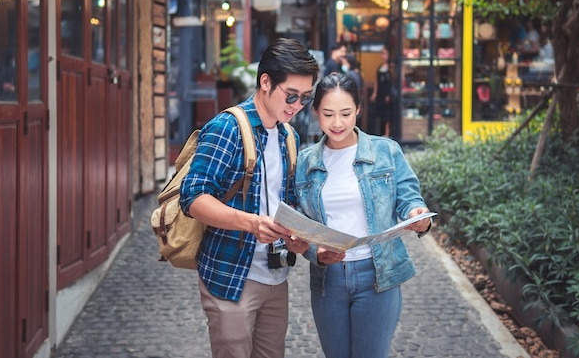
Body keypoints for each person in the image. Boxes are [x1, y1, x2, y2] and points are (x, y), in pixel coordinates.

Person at [179, 37, 318, 358]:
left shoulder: (289, 136)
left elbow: (286, 201)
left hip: (276, 276)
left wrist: (298, 237)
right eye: (291, 95)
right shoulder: (228, 127)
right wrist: (251, 223)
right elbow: (193, 196)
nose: (297, 106)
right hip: (231, 276)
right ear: (265, 82)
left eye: (305, 99)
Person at [294, 72, 432, 358]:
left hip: (377, 275)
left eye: (346, 113)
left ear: (358, 108)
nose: (337, 123)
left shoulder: (386, 151)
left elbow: (409, 199)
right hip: (328, 279)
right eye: (328, 114)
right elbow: (297, 219)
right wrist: (314, 251)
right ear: (316, 111)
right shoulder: (305, 162)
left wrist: (417, 214)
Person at [369, 45, 393, 137]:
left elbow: (393, 82)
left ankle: (387, 134)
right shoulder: (380, 67)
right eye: (381, 53)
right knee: (380, 113)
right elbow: (376, 81)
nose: (383, 56)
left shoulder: (391, 67)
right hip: (380, 94)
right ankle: (380, 133)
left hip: (388, 94)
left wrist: (389, 94)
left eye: (385, 53)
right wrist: (374, 93)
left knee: (388, 114)